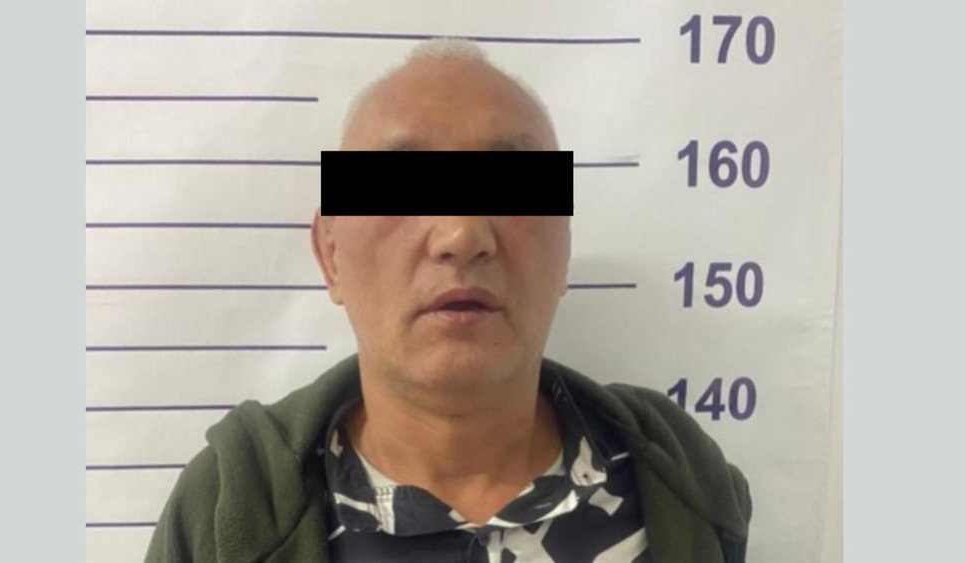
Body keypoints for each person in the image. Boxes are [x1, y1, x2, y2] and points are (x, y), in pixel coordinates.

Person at [145, 38, 752, 563]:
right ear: (330, 253)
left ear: (563, 248)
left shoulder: (680, 487)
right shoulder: (229, 509)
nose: (462, 234)